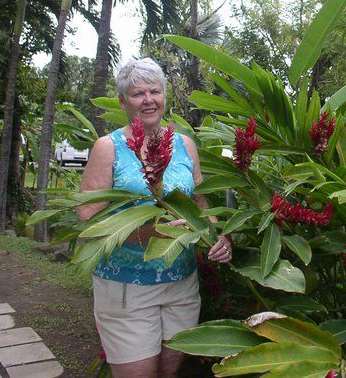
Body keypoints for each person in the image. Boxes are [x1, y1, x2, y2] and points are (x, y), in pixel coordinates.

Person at [77, 58, 231, 378]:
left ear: (164, 96)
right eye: (138, 94)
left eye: (155, 91)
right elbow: (88, 221)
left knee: (168, 373)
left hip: (181, 284)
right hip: (126, 286)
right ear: (122, 101)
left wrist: (218, 238)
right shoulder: (108, 148)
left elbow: (201, 205)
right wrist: (151, 234)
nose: (148, 100)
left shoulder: (184, 144)